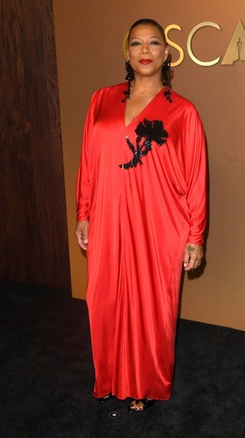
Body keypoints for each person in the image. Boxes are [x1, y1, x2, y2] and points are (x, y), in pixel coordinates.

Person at [74, 18, 208, 412]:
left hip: (159, 222)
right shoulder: (101, 99)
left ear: (167, 53)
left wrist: (194, 236)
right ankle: (111, 377)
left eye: (154, 43)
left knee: (152, 306)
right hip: (107, 216)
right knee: (104, 300)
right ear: (127, 53)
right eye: (137, 43)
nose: (145, 50)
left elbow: (195, 178)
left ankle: (145, 384)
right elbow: (87, 160)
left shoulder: (182, 112)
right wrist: (83, 211)